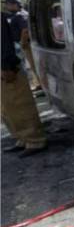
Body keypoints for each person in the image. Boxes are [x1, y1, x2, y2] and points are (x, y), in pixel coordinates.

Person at [1, 11, 47, 157]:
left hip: (8, 68)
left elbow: (4, 43)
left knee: (19, 104)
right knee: (7, 108)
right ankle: (22, 138)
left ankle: (35, 140)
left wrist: (7, 66)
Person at [3, 0, 41, 90]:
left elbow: (25, 30)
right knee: (33, 66)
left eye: (8, 4)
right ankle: (39, 83)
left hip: (26, 44)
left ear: (15, 4)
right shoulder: (23, 14)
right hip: (30, 44)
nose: (6, 6)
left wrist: (23, 43)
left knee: (34, 65)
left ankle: (42, 85)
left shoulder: (19, 15)